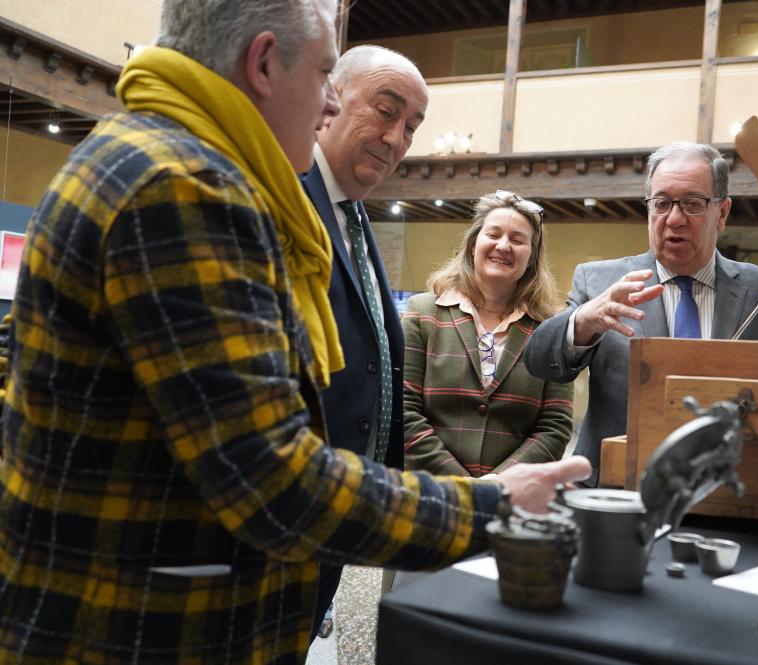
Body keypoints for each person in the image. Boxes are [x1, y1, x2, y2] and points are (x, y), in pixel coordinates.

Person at [0, 2, 591, 663]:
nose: (329, 102)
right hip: (148, 623)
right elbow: (269, 476)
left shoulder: (172, 162)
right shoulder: (185, 186)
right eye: (323, 75)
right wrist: (490, 505)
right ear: (262, 64)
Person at [524, 142, 758, 486]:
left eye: (692, 204)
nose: (674, 219)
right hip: (617, 488)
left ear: (722, 212)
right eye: (662, 203)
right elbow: (539, 362)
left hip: (730, 491)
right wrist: (581, 321)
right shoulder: (599, 281)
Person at [300, 44, 427, 640]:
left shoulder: (353, 214)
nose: (397, 138)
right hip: (293, 506)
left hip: (338, 515)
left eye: (412, 126)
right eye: (386, 111)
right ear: (332, 98)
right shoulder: (289, 196)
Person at [403, 190, 574, 477]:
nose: (503, 246)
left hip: (512, 495)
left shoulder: (551, 329)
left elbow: (554, 427)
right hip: (431, 490)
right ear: (473, 245)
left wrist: (497, 485)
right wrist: (465, 486)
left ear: (531, 257)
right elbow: (404, 410)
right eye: (493, 234)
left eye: (517, 240)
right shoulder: (422, 313)